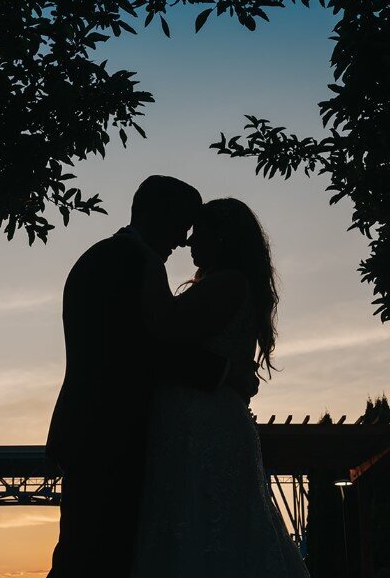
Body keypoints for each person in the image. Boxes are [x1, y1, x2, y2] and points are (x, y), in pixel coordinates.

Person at [46, 177, 257, 578]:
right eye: (182, 226)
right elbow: (142, 347)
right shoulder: (126, 262)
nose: (183, 241)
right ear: (158, 214)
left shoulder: (116, 257)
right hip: (108, 432)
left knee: (96, 555)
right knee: (91, 557)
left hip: (106, 431)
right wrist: (227, 374)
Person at [131, 197, 310, 577]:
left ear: (223, 239)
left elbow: (166, 333)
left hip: (203, 424)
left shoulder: (227, 284)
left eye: (200, 235)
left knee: (201, 524)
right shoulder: (230, 285)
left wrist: (148, 267)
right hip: (205, 419)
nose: (189, 244)